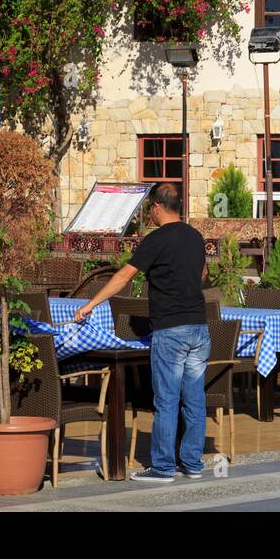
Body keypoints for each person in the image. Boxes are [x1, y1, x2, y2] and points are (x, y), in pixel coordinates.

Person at [75, 183, 209, 483]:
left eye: (151, 208)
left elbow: (124, 275)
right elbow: (202, 273)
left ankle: (163, 467)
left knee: (167, 400)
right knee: (195, 399)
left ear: (158, 208)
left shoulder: (157, 239)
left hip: (171, 329)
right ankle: (192, 463)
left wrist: (92, 303)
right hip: (199, 327)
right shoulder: (195, 236)